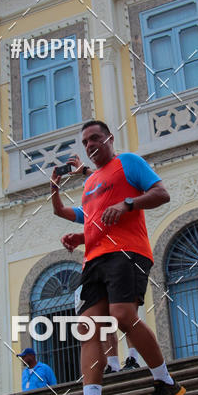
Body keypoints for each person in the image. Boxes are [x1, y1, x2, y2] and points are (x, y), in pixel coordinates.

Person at [56, 120, 185, 395]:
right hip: (94, 260)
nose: (89, 145)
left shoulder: (128, 163)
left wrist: (128, 203)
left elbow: (161, 193)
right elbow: (99, 223)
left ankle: (165, 382)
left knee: (123, 315)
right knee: (88, 328)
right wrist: (81, 237)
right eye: (85, 141)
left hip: (127, 252)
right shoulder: (89, 184)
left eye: (95, 138)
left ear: (109, 139)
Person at [51, 159, 142, 375]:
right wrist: (54, 187)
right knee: (104, 319)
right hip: (97, 267)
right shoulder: (89, 211)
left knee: (127, 314)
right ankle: (112, 363)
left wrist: (85, 171)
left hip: (124, 257)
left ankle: (134, 358)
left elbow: (112, 178)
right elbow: (60, 211)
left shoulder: (118, 196)